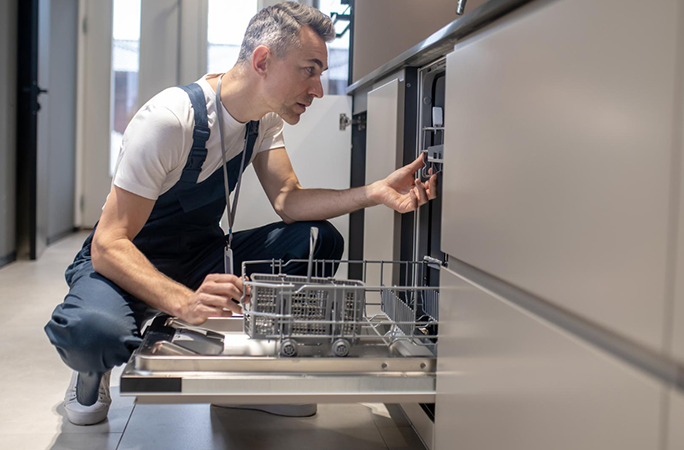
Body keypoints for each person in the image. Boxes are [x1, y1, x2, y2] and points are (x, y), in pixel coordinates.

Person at [44, 2, 437, 426]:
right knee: (93, 334)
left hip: (198, 257)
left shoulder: (263, 121)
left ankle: (249, 380)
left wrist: (374, 192)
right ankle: (90, 371)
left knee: (317, 238)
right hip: (125, 260)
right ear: (263, 60)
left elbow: (289, 200)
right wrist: (183, 300)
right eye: (310, 69)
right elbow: (108, 243)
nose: (319, 89)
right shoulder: (170, 120)